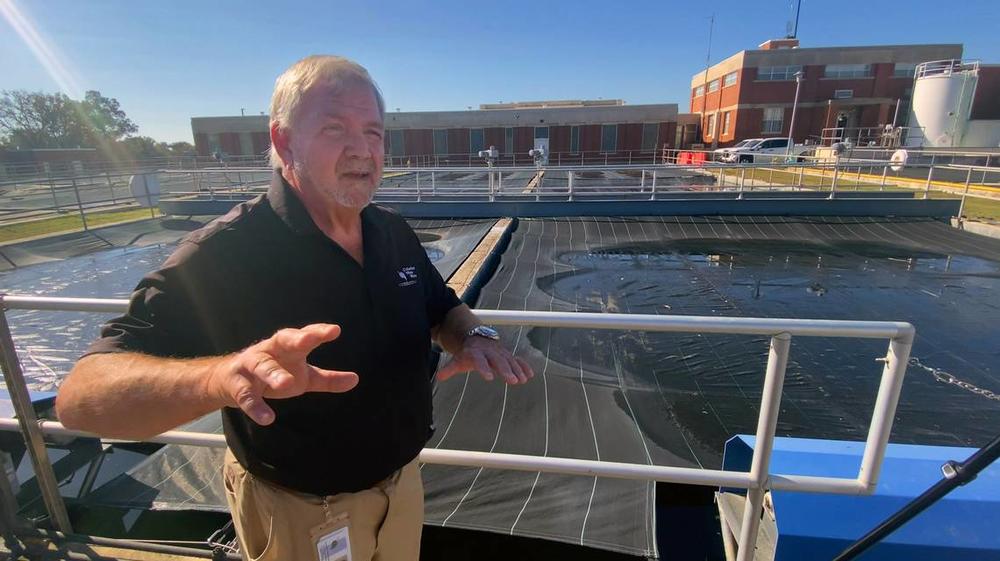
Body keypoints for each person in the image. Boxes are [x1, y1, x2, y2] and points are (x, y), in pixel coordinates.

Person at [56, 55, 533, 561]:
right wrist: (220, 379)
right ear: (284, 142)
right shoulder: (228, 252)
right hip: (302, 515)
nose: (361, 149)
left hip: (402, 488)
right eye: (335, 128)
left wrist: (476, 338)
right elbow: (81, 397)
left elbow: (443, 307)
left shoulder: (391, 231)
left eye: (373, 132)